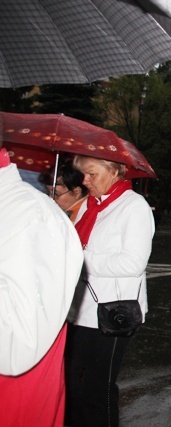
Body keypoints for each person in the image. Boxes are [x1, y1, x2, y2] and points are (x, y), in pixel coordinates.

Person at [65, 155, 155, 426]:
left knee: (97, 389)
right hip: (79, 311)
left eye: (91, 174)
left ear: (115, 171)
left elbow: (133, 263)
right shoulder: (88, 206)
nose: (85, 180)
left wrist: (79, 257)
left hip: (112, 313)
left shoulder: (134, 206)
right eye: (83, 174)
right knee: (71, 384)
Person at [0, 148, 84, 427]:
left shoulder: (37, 216)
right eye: (50, 188)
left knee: (97, 387)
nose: (53, 193)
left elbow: (19, 346)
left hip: (16, 400)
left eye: (57, 189)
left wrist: (86, 251)